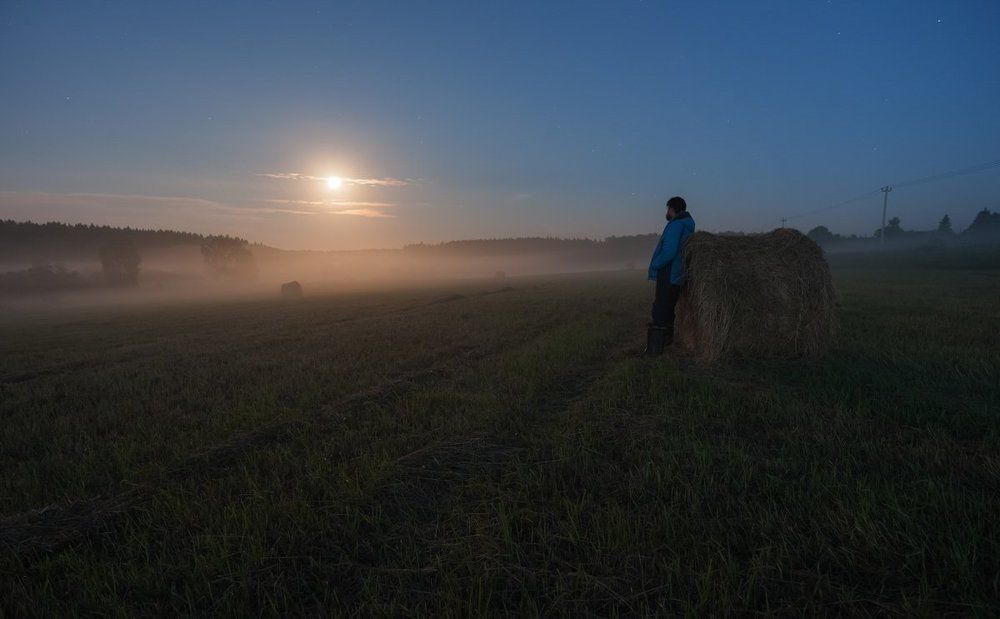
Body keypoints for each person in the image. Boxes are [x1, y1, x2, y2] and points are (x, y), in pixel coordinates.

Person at [645, 196, 696, 356]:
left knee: (660, 310)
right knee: (668, 309)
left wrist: (655, 264)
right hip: (677, 274)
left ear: (672, 209)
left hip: (668, 273)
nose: (666, 212)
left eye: (667, 208)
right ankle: (666, 343)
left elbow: (669, 252)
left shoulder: (675, 225)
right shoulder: (687, 226)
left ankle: (654, 351)